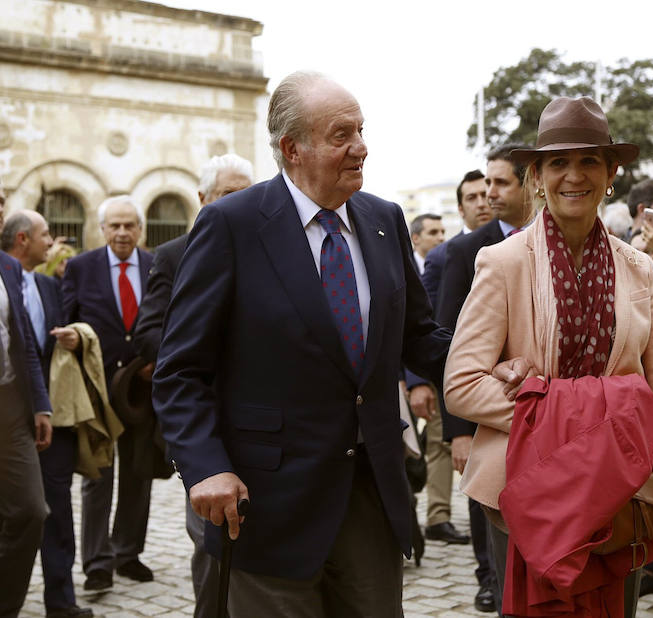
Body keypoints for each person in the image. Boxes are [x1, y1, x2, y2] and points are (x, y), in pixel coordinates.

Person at [152, 71, 452, 616]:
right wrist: (205, 466)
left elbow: (418, 337)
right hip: (267, 503)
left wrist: (490, 363)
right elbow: (179, 370)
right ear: (293, 148)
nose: (362, 147)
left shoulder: (384, 220)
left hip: (369, 492)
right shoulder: (231, 224)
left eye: (361, 130)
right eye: (343, 135)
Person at [443, 96, 653, 617]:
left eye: (589, 160)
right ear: (538, 176)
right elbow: (461, 384)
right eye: (559, 162)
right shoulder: (502, 262)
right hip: (526, 491)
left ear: (611, 172)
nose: (575, 175)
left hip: (618, 495)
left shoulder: (638, 267)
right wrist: (574, 417)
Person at [131, 152, 253, 618]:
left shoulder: (275, 249)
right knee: (214, 549)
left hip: (269, 425)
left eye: (248, 192)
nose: (240, 203)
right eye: (228, 194)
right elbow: (149, 333)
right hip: (206, 426)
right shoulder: (173, 254)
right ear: (203, 200)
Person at [437, 145, 535, 613]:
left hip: (542, 410)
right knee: (485, 496)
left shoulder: (550, 241)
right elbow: (447, 341)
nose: (489, 193)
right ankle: (489, 578)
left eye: (499, 183)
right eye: (484, 185)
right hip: (486, 408)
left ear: (526, 185)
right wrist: (456, 432)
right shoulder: (464, 251)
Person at [61, 195, 154, 590]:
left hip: (142, 389)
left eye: (129, 225)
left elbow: (172, 317)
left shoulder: (155, 265)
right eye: (114, 225)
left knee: (139, 473)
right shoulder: (81, 267)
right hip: (96, 390)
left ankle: (127, 553)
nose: (121, 233)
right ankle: (97, 563)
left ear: (140, 229)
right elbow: (67, 320)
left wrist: (158, 358)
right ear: (101, 229)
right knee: (97, 476)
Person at [1, 210, 91, 617]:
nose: (51, 240)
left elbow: (62, 331)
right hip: (11, 412)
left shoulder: (45, 284)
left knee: (52, 508)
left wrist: (76, 337)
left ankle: (61, 600)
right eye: (44, 234)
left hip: (46, 412)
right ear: (23, 239)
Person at [0, 192, 53, 617]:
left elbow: (25, 345)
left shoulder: (8, 268)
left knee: (31, 512)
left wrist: (40, 405)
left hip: (11, 408)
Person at [403, 212, 468, 549]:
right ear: (415, 237)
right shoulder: (422, 264)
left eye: (443, 230)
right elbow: (416, 324)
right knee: (430, 447)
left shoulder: (449, 255)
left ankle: (438, 516)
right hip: (421, 374)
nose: (439, 237)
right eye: (432, 232)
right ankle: (435, 517)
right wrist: (416, 382)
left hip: (443, 363)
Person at [421, 170, 492, 304]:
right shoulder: (439, 256)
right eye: (471, 198)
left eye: (485, 195)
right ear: (460, 209)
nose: (481, 204)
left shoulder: (513, 242)